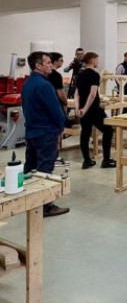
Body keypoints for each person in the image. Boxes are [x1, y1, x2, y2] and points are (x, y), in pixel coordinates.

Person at [22, 52, 69, 217]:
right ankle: (45, 205)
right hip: (46, 132)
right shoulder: (45, 85)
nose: (51, 65)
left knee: (30, 166)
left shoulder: (28, 83)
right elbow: (55, 110)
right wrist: (62, 125)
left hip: (32, 131)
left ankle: (27, 199)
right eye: (48, 62)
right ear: (38, 66)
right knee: (45, 168)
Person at [75, 52, 116, 169]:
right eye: (97, 59)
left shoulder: (80, 74)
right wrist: (86, 109)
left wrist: (78, 108)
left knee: (85, 133)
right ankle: (106, 160)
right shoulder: (94, 75)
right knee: (108, 130)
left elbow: (76, 94)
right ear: (92, 60)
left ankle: (87, 161)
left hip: (82, 109)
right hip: (93, 109)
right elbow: (93, 94)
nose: (98, 62)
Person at [48, 52, 71, 167]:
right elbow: (61, 94)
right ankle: (54, 157)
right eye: (61, 60)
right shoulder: (56, 75)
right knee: (57, 132)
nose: (62, 62)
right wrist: (66, 103)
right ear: (55, 61)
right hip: (56, 106)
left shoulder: (43, 75)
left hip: (46, 107)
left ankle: (50, 156)